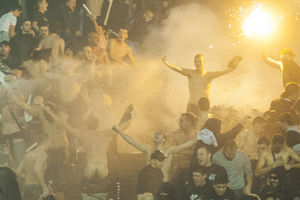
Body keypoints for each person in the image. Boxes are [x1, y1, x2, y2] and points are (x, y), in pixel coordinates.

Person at [47, 106, 134, 200]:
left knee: (82, 183)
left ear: (87, 124)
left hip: (89, 168)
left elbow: (65, 125)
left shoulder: (84, 134)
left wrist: (49, 112)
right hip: (103, 168)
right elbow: (123, 126)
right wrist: (132, 115)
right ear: (97, 124)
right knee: (103, 189)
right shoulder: (105, 133)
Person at [112, 126, 197, 181]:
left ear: (164, 140)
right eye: (155, 133)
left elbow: (185, 146)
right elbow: (131, 141)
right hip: (150, 185)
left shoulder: (169, 151)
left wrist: (198, 138)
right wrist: (119, 131)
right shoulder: (148, 150)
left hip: (163, 186)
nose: (156, 134)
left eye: (160, 134)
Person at [162, 54, 242, 111]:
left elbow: (223, 72)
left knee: (203, 131)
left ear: (204, 62)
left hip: (204, 108)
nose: (198, 64)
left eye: (200, 61)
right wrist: (166, 63)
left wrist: (234, 67)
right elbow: (179, 69)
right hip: (192, 106)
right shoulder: (191, 73)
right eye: (196, 62)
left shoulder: (209, 75)